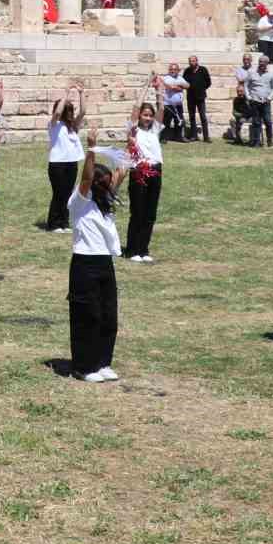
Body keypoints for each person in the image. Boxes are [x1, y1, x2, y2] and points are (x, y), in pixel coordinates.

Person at [67, 132, 126, 382]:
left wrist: (130, 143)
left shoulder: (103, 202)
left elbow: (121, 172)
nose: (108, 183)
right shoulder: (80, 202)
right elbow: (87, 176)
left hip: (104, 262)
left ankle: (102, 362)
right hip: (85, 262)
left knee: (107, 315)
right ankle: (84, 366)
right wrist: (91, 150)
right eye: (103, 181)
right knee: (87, 315)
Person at [123, 88, 163, 263]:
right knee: (138, 211)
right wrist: (147, 84)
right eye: (144, 115)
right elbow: (135, 107)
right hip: (139, 171)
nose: (147, 118)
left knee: (150, 213)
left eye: (150, 115)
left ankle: (143, 249)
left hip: (156, 171)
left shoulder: (155, 130)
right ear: (139, 116)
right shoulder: (133, 130)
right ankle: (132, 250)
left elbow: (161, 109)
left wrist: (159, 91)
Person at [45, 89, 86, 232]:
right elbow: (57, 113)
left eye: (70, 110)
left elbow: (83, 112)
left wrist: (81, 94)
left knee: (68, 193)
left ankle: (63, 222)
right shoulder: (54, 125)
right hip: (57, 164)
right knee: (59, 193)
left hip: (71, 163)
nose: (69, 113)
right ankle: (53, 223)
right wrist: (66, 95)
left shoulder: (72, 127)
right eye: (67, 110)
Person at [244, 56, 273, 147]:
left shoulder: (271, 74)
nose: (261, 63)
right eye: (260, 61)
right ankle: (256, 141)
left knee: (268, 121)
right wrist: (248, 97)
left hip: (266, 102)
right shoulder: (252, 73)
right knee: (256, 122)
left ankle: (270, 141)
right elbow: (246, 85)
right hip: (255, 101)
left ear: (267, 63)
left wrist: (270, 98)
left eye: (263, 62)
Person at [182, 55, 211, 142]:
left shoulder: (203, 70)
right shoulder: (187, 71)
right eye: (190, 61)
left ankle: (206, 137)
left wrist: (201, 89)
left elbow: (208, 82)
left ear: (197, 61)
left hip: (200, 97)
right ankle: (194, 136)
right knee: (192, 117)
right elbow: (183, 82)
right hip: (190, 97)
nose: (192, 63)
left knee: (203, 117)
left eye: (193, 61)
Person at [158, 62, 188, 141]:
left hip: (178, 104)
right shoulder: (166, 78)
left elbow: (187, 85)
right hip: (168, 104)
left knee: (179, 121)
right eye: (171, 69)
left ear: (178, 70)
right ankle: (163, 138)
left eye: (175, 69)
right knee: (166, 122)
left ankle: (179, 137)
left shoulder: (180, 78)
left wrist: (179, 87)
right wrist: (178, 87)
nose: (173, 71)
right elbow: (169, 86)